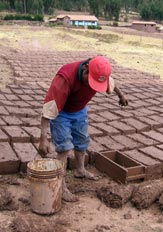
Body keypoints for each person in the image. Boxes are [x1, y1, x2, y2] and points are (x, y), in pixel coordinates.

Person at [39, 56, 128, 202]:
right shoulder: (65, 79)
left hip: (79, 110)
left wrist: (121, 95)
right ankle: (61, 187)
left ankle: (80, 170)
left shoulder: (99, 70)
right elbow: (49, 109)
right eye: (90, 82)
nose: (92, 87)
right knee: (64, 147)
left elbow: (110, 82)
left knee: (82, 140)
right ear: (86, 69)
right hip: (61, 113)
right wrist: (43, 138)